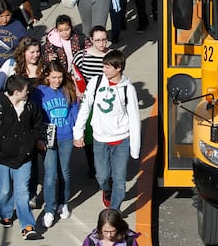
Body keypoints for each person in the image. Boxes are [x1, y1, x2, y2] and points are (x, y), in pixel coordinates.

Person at [73, 50, 140, 212]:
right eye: (104, 66)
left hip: (121, 140)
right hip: (100, 139)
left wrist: (135, 147)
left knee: (120, 179)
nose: (104, 69)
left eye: (107, 67)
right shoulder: (95, 83)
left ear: (118, 68)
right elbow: (85, 108)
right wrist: (78, 132)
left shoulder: (128, 89)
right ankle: (106, 189)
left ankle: (114, 211)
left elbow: (135, 118)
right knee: (102, 176)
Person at [0, 75, 44, 240]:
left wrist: (34, 141)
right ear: (16, 92)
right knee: (5, 189)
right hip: (3, 159)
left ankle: (27, 226)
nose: (28, 91)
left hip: (25, 158)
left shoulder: (30, 107)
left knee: (22, 192)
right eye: (25, 90)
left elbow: (38, 126)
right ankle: (5, 213)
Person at [33, 60, 80, 227]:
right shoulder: (39, 92)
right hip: (48, 138)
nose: (57, 81)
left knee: (64, 172)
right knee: (50, 175)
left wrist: (75, 130)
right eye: (54, 77)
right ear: (47, 76)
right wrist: (38, 137)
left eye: (60, 77)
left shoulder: (68, 88)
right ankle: (49, 210)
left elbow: (75, 108)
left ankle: (63, 202)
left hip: (66, 136)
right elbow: (35, 115)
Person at [72, 25, 111, 177]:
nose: (102, 44)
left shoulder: (112, 55)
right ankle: (92, 165)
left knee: (105, 135)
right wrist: (77, 90)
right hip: (87, 102)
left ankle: (105, 165)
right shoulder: (82, 56)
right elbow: (73, 75)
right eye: (98, 40)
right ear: (91, 40)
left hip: (107, 102)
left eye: (104, 40)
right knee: (89, 136)